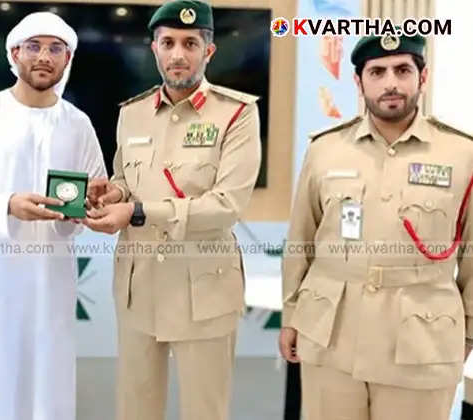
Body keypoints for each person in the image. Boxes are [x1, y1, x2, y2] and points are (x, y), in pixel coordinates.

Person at [280, 33, 473, 420]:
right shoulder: (324, 149)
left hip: (421, 341)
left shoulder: (462, 154)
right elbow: (300, 240)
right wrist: (290, 317)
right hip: (331, 334)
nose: (391, 83)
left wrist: (468, 330)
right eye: (377, 71)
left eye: (403, 70)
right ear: (358, 81)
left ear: (423, 77)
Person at [84, 1, 261, 418]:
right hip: (138, 286)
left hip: (203, 288)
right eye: (168, 43)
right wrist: (114, 195)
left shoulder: (236, 114)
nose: (178, 54)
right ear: (154, 49)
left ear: (209, 51)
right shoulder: (132, 114)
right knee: (135, 407)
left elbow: (226, 205)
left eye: (190, 43)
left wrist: (138, 212)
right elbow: (127, 181)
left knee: (204, 409)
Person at [0, 12, 107, 420]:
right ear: (14, 53)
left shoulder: (79, 124)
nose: (44, 57)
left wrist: (85, 211)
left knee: (50, 377)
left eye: (55, 49)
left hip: (52, 276)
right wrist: (8, 204)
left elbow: (97, 188)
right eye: (33, 46)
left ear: (67, 59)